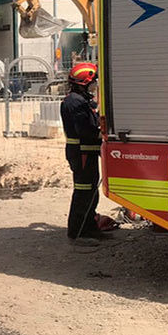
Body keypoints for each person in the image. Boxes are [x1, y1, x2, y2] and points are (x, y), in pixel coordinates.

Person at [62, 62, 105, 242]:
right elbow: (86, 130)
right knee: (83, 192)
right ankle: (78, 233)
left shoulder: (81, 100)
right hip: (82, 154)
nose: (94, 86)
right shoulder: (75, 102)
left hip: (86, 153)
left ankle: (89, 227)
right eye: (92, 83)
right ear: (84, 83)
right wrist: (101, 129)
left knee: (91, 192)